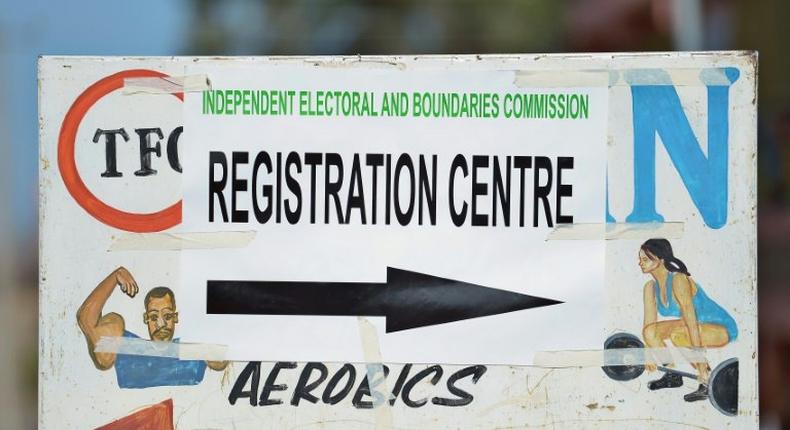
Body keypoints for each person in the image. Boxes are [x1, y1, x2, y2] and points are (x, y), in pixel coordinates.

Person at [77, 267, 227, 388]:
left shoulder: (194, 347)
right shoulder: (125, 347)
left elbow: (221, 356)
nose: (161, 324)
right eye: (154, 317)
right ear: (146, 319)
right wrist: (115, 276)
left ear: (175, 318)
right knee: (114, 321)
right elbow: (86, 320)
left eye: (167, 316)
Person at [638, 238, 737, 402]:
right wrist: (648, 354)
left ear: (661, 259)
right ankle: (671, 374)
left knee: (679, 335)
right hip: (692, 326)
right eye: (640, 259)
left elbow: (691, 322)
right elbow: (648, 326)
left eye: (645, 259)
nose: (640, 263)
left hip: (720, 326)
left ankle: (706, 379)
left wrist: (700, 364)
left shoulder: (678, 279)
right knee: (649, 332)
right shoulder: (650, 288)